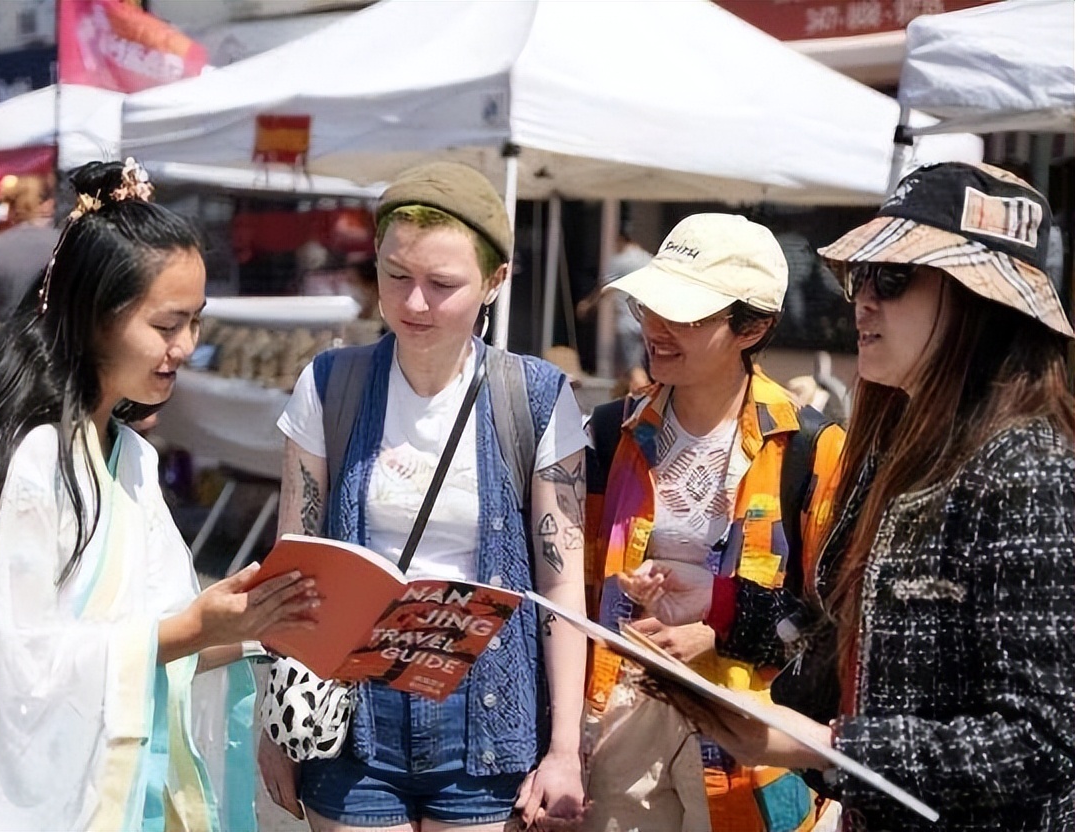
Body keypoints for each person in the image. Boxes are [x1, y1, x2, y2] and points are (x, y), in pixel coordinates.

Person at [624, 163, 1075, 831]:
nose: (861, 299)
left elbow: (1045, 739)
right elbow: (839, 632)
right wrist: (720, 605)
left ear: (982, 303)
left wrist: (829, 747)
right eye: (858, 277)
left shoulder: (1031, 470)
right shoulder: (897, 448)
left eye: (890, 279)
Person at [0, 160, 322, 830]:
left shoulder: (130, 456)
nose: (186, 346)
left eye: (196, 322)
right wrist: (197, 627)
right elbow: (13, 667)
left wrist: (251, 627)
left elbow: (159, 634)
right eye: (166, 325)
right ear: (96, 317)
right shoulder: (32, 459)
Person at [258, 161, 589, 831]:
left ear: (497, 281)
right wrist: (278, 721)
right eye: (395, 275)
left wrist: (564, 750)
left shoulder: (535, 397)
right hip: (352, 716)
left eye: (442, 285)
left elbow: (562, 587)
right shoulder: (330, 384)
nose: (413, 304)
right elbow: (295, 570)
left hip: (489, 716)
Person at [581, 213, 845, 832]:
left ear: (751, 327)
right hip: (622, 702)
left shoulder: (812, 447)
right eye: (650, 305)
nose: (655, 328)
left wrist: (718, 628)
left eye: (688, 314)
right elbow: (576, 582)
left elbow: (835, 608)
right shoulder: (605, 433)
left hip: (756, 720)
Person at [0, 173, 59, 353]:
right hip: (60, 355)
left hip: (11, 355)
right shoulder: (67, 245)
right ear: (47, 205)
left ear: (11, 207)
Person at [577, 227, 654, 392]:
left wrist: (588, 305)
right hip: (647, 321)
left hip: (627, 322)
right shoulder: (647, 258)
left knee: (634, 371)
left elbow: (605, 288)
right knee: (639, 367)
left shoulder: (620, 260)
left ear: (620, 240)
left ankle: (642, 403)